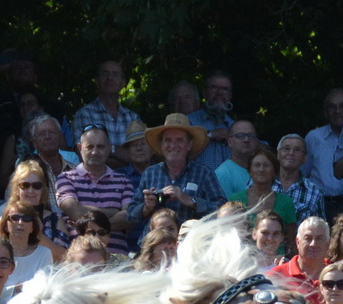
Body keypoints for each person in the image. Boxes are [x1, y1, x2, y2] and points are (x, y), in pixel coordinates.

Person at [132, 115, 224, 232]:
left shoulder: (203, 173)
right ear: (161, 145)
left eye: (179, 140)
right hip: (154, 244)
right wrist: (146, 207)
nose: (173, 145)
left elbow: (223, 211)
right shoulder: (150, 173)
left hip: (191, 242)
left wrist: (191, 201)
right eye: (168, 140)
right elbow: (130, 215)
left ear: (189, 145)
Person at [56, 125, 135, 255]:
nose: (95, 152)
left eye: (100, 146)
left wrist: (86, 221)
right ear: (80, 148)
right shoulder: (65, 179)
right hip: (80, 259)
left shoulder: (124, 181)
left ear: (109, 148)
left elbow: (129, 217)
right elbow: (75, 212)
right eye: (90, 147)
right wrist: (113, 212)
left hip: (117, 262)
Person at [69, 62, 143, 149]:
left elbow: (141, 153)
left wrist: (105, 151)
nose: (110, 78)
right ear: (97, 81)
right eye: (105, 74)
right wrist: (120, 153)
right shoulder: (84, 115)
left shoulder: (133, 118)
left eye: (115, 75)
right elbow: (84, 153)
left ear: (123, 83)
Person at [307, 90, 343, 214]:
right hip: (318, 203)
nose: (338, 111)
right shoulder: (313, 137)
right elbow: (303, 172)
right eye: (332, 107)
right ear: (325, 113)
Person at [270, 216, 332, 304]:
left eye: (319, 239)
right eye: (308, 238)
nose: (313, 244)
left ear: (328, 243)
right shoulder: (275, 277)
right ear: (298, 242)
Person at [231, 145, 296, 231]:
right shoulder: (236, 200)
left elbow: (290, 240)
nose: (261, 170)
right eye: (257, 165)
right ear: (249, 171)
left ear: (274, 171)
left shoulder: (286, 202)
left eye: (266, 165)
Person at [274, 134, 327, 227]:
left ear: (305, 158)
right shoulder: (261, 182)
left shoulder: (315, 192)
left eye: (297, 150)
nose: (291, 153)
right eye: (286, 148)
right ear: (278, 154)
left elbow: (319, 229)